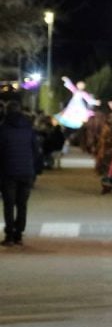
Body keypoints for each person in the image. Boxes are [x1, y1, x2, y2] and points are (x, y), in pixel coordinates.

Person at [1, 101, 42, 247]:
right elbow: (36, 151)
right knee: (22, 204)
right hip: (26, 172)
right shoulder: (29, 129)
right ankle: (19, 234)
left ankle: (9, 235)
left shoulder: (3, 129)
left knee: (9, 204)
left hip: (8, 172)